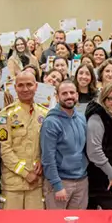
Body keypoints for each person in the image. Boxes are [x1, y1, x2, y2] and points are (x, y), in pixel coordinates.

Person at [0, 69, 48, 210]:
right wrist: (25, 173)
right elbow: (5, 150)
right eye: (21, 85)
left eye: (29, 85)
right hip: (13, 185)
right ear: (15, 87)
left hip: (37, 183)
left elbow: (48, 146)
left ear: (36, 86)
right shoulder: (5, 115)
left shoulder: (45, 114)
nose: (25, 89)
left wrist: (43, 161)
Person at [41, 79, 89, 210]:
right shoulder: (51, 122)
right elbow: (47, 157)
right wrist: (57, 185)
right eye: (64, 93)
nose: (69, 96)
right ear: (57, 97)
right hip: (61, 183)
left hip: (81, 181)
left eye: (72, 92)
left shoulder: (81, 118)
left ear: (77, 95)